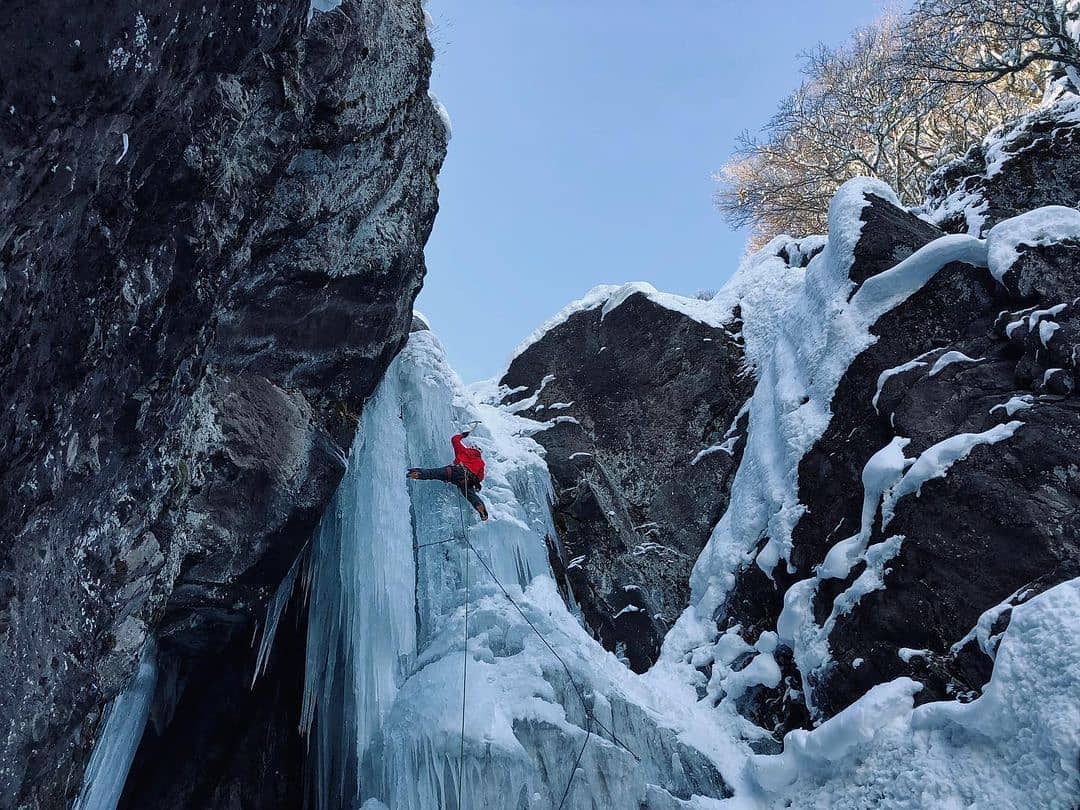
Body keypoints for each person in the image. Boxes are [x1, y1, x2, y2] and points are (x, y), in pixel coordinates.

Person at [407, 427, 489, 521]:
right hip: (467, 480)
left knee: (432, 473)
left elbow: (454, 439)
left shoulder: (464, 451)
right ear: (480, 453)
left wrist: (463, 435)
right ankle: (480, 508)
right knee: (471, 496)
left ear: (472, 448)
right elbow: (480, 478)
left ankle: (414, 474)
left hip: (454, 471)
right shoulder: (481, 463)